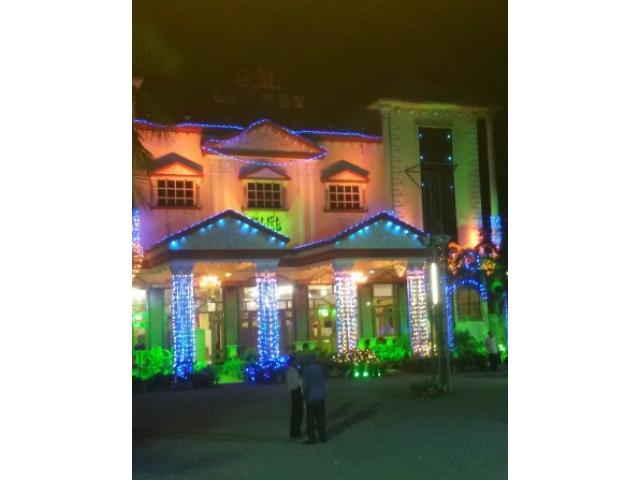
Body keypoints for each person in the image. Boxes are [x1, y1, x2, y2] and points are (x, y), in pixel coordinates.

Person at [302, 353, 327, 444]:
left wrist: (304, 395)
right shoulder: (320, 369)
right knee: (321, 418)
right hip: (320, 395)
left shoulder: (306, 370)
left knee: (310, 419)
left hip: (311, 397)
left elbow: (305, 385)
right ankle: (322, 436)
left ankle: (312, 438)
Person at [286, 356, 304, 439]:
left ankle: (295, 431)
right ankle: (295, 432)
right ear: (293, 362)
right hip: (296, 391)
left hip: (294, 391)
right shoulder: (292, 370)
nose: (298, 362)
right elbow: (298, 382)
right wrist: (303, 381)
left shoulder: (291, 370)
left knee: (296, 412)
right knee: (297, 412)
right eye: (296, 361)